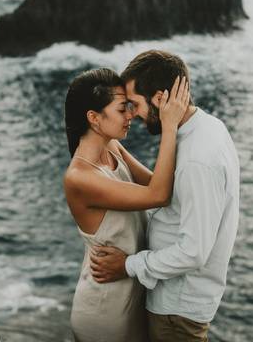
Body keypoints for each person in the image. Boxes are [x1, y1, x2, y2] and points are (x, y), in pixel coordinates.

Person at [89, 50, 240, 342]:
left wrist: (127, 265)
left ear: (160, 99)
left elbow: (194, 252)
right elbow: (169, 193)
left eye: (135, 104)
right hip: (178, 304)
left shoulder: (198, 159)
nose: (131, 114)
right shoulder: (206, 127)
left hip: (177, 310)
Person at [64, 67, 191, 342]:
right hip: (104, 312)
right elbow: (159, 194)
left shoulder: (112, 148)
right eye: (123, 108)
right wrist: (169, 126)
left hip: (132, 300)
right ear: (94, 118)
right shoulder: (80, 178)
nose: (131, 115)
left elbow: (160, 184)